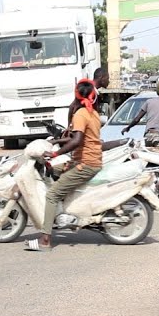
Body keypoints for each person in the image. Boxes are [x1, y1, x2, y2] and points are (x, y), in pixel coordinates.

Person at [31, 79, 102, 252]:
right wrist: (55, 140)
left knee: (52, 195)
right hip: (87, 161)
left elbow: (76, 140)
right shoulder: (93, 113)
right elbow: (77, 137)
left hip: (85, 164)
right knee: (52, 169)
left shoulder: (81, 114)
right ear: (93, 95)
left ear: (76, 95)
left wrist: (55, 153)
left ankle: (45, 240)